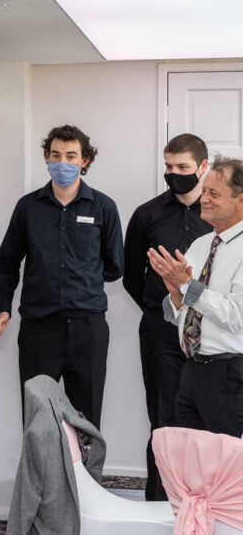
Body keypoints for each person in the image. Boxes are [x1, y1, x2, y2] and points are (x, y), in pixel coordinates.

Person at [0, 125, 123, 428]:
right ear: (47, 157)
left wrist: (81, 277)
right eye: (56, 155)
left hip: (88, 328)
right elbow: (7, 262)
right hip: (39, 329)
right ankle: (42, 478)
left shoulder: (104, 207)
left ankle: (85, 477)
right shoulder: (28, 208)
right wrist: (4, 307)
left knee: (86, 419)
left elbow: (115, 266)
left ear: (84, 161)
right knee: (39, 419)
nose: (62, 162)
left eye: (71, 155)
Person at [123, 133, 211, 499]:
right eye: (168, 167)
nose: (174, 174)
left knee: (208, 421)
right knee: (163, 419)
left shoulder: (220, 214)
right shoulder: (147, 214)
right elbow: (131, 277)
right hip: (160, 332)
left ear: (203, 168)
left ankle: (204, 505)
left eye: (183, 168)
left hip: (212, 333)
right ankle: (158, 504)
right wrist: (161, 309)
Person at [148, 157, 243, 437]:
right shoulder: (202, 244)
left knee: (226, 470)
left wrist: (187, 287)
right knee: (191, 463)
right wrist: (176, 295)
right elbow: (179, 309)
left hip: (229, 374)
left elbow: (236, 316)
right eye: (204, 191)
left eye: (214, 194)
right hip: (191, 371)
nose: (204, 199)